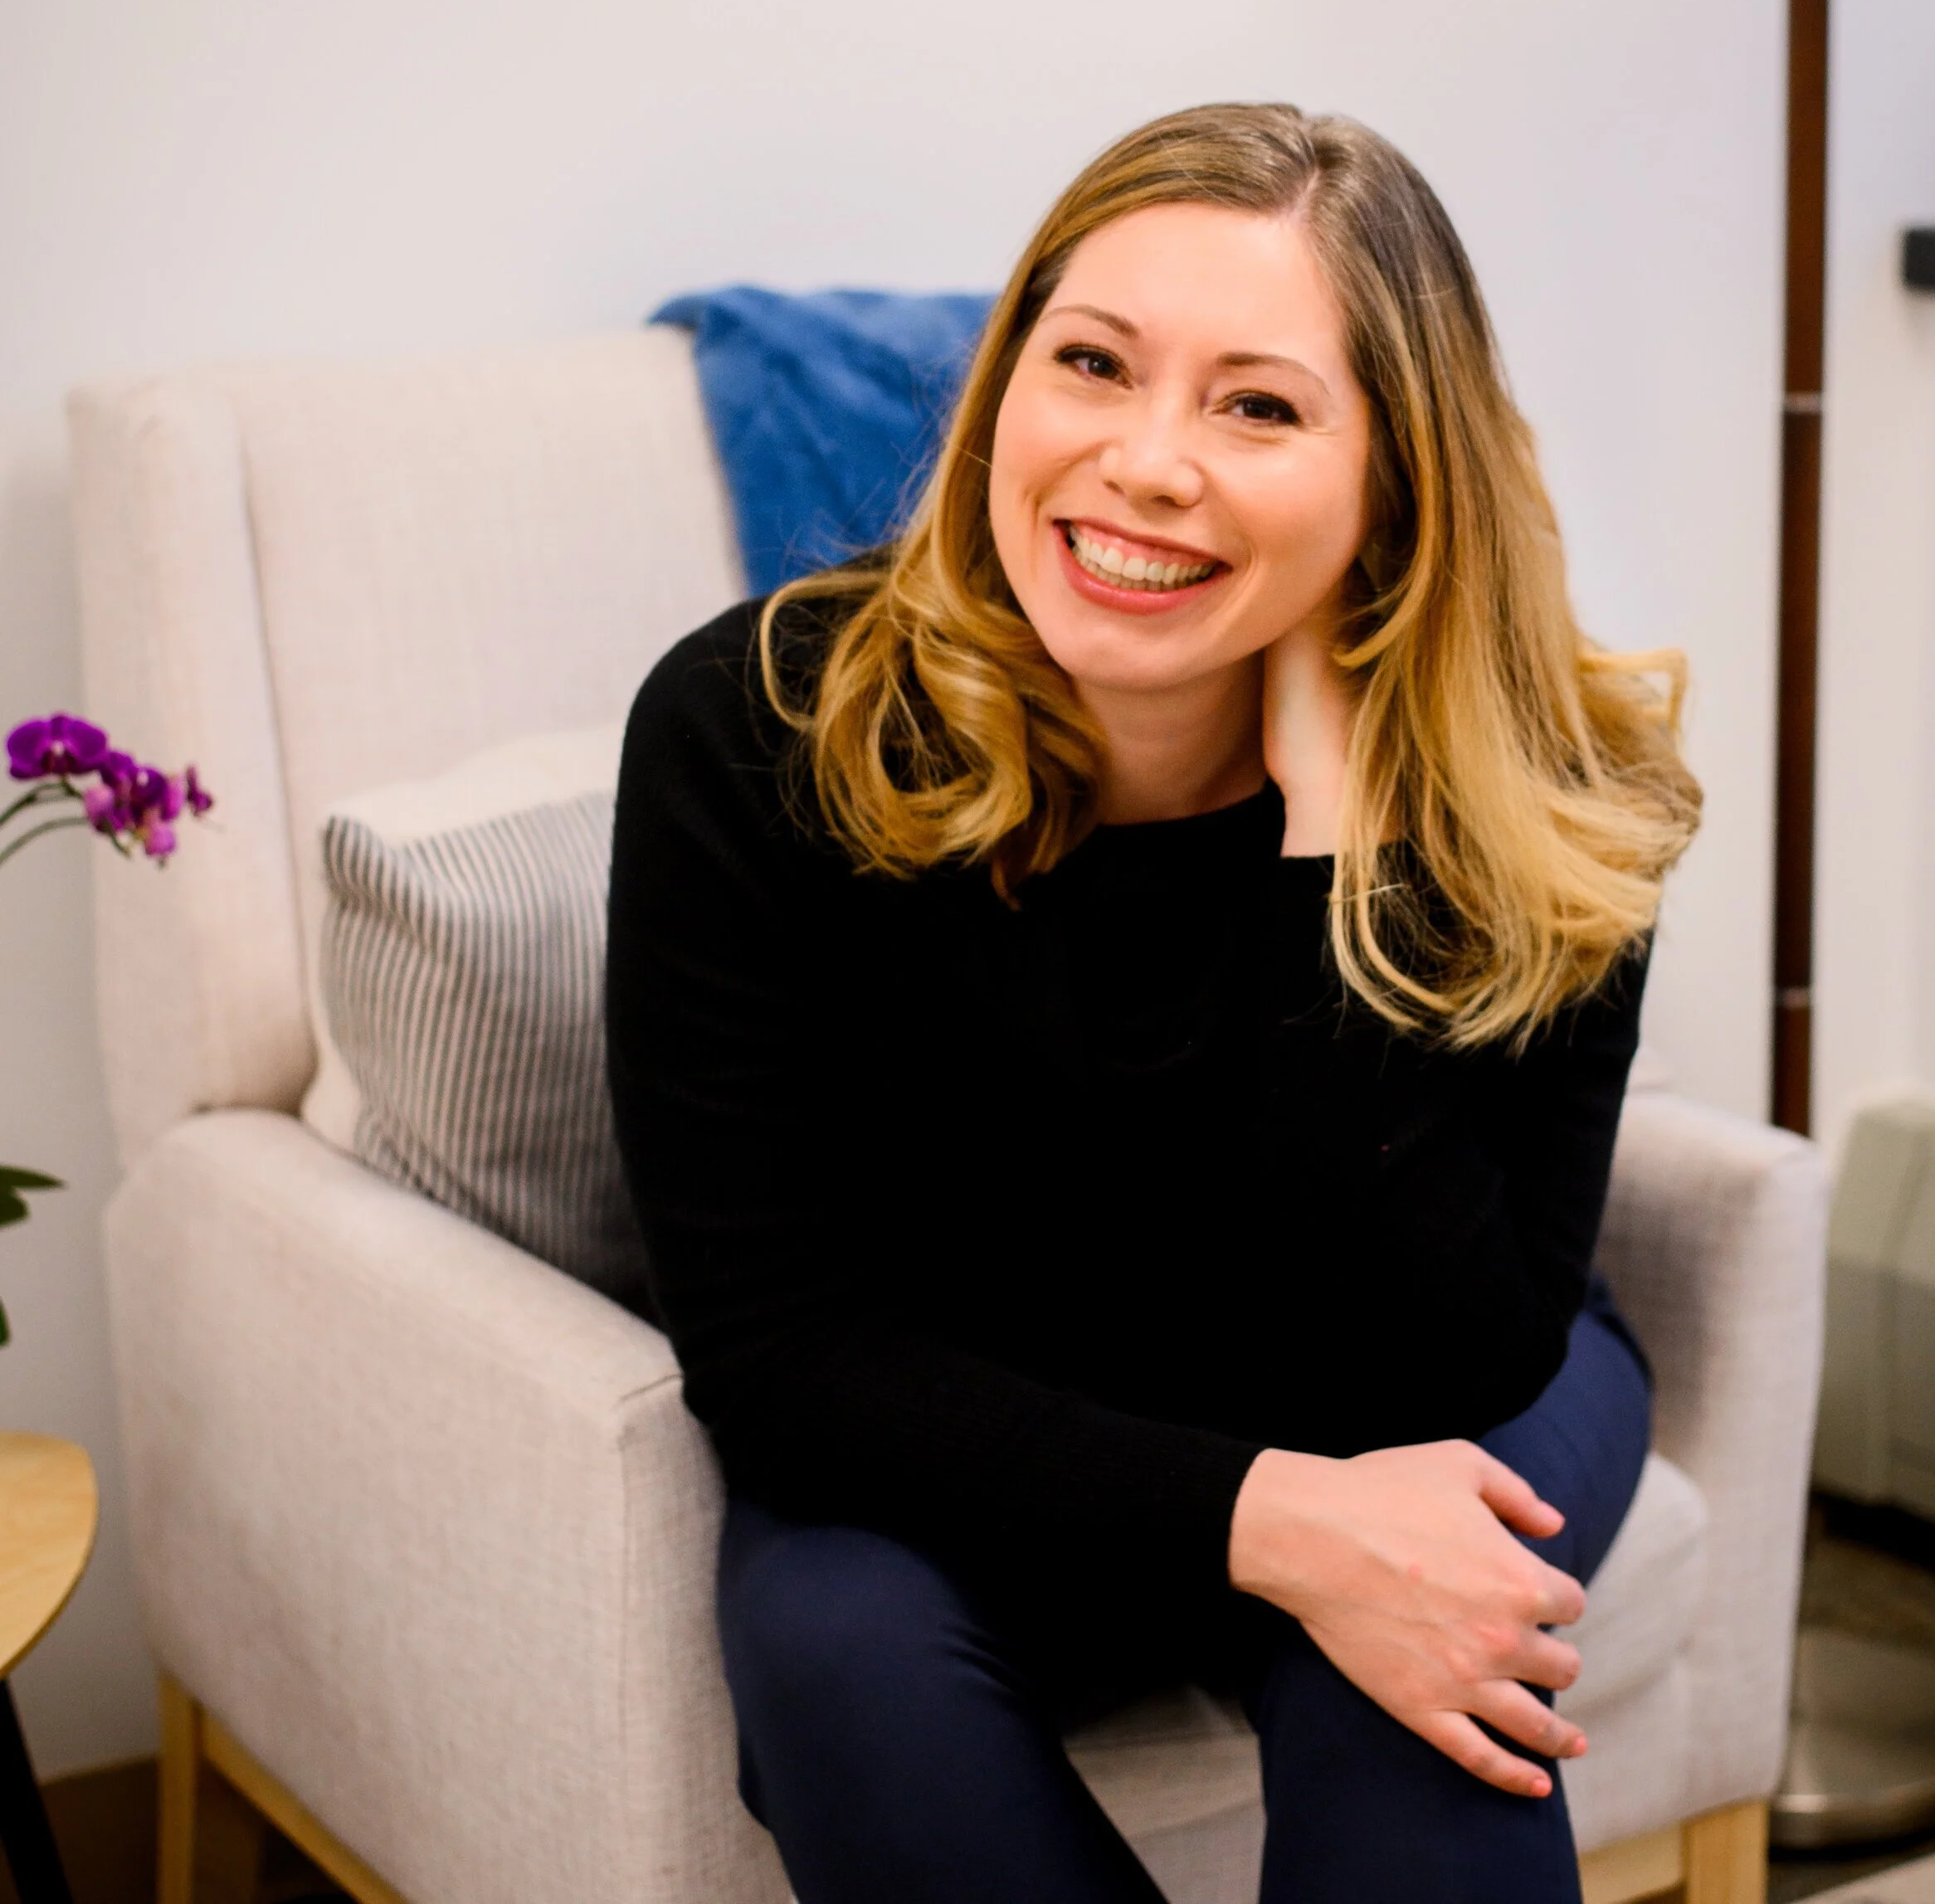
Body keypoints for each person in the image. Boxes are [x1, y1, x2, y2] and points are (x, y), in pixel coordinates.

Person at [605, 102, 1703, 1904]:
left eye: (1257, 407)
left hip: (1445, 1359)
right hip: (981, 1384)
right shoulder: (759, 730)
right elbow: (779, 1353)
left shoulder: (1552, 791)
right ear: (1004, 388)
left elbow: (1453, 1363)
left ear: (1396, 483)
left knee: (1409, 1679)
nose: (1144, 463)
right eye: (1093, 364)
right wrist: (1275, 1521)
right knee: (836, 1653)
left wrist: (1337, 850)